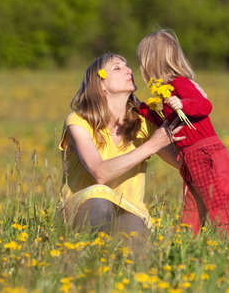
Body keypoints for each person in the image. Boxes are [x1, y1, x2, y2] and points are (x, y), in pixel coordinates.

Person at [57, 53, 184, 237]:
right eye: (117, 68)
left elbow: (183, 164)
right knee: (99, 202)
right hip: (82, 209)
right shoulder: (78, 121)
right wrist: (152, 145)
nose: (129, 70)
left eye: (127, 66)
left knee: (135, 228)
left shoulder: (144, 123)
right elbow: (100, 173)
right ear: (100, 85)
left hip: (129, 211)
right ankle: (89, 259)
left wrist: (186, 107)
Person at [136, 29, 229, 238]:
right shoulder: (163, 92)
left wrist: (183, 104)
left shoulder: (180, 83)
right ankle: (185, 249)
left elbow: (205, 105)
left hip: (205, 153)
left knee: (218, 206)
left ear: (152, 63)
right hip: (191, 158)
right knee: (191, 212)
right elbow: (165, 121)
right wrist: (139, 108)